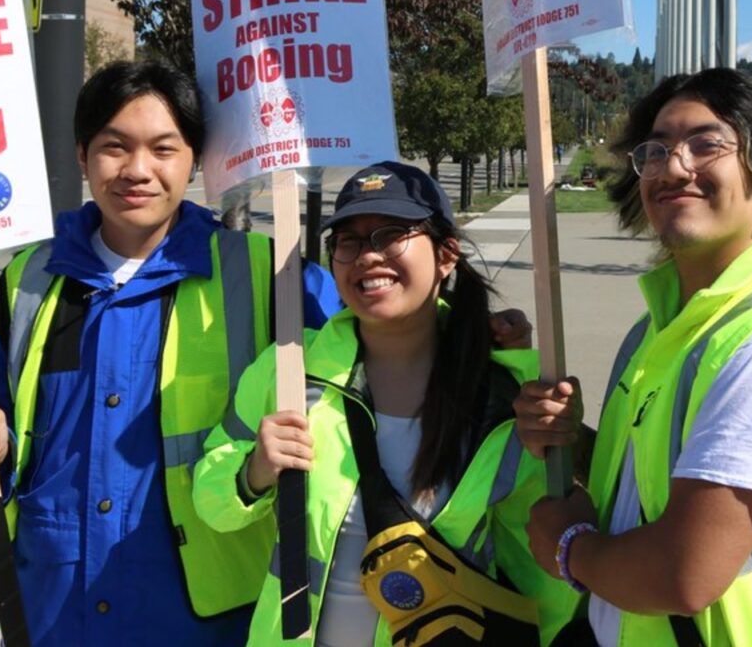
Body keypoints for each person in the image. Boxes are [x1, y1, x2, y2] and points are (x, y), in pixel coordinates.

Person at [0, 61, 342, 646]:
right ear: (82, 155)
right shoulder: (25, 283)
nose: (137, 170)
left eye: (163, 149)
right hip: (53, 612)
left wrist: (482, 339)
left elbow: (376, 352)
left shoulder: (270, 277)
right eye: (114, 147)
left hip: (207, 619)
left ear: (195, 160)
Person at [517, 68, 752, 646]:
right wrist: (570, 441)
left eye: (706, 144)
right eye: (655, 150)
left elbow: (683, 574)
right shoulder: (660, 327)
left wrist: (569, 548)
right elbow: (647, 493)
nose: (673, 167)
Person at [195, 162, 582, 646]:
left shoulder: (509, 396)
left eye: (392, 234)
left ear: (446, 256)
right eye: (349, 241)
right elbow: (211, 502)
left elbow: (542, 569)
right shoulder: (289, 370)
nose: (368, 256)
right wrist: (252, 472)